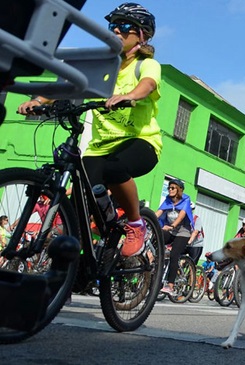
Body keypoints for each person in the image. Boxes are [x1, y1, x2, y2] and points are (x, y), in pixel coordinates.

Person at [18, 2, 161, 258]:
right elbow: (67, 83)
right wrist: (38, 101)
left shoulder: (145, 65)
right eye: (113, 25)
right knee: (78, 201)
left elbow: (148, 86)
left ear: (142, 35)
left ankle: (136, 224)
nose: (117, 30)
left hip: (140, 142)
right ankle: (80, 264)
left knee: (114, 168)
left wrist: (128, 95)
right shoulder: (102, 65)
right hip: (99, 148)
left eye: (125, 26)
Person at [155, 179, 193, 296]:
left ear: (179, 190)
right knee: (156, 238)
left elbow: (181, 216)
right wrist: (147, 220)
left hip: (183, 232)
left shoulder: (185, 200)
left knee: (174, 254)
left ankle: (170, 285)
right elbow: (158, 212)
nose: (170, 190)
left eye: (173, 188)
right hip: (170, 230)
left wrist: (172, 225)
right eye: (169, 188)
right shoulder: (167, 200)